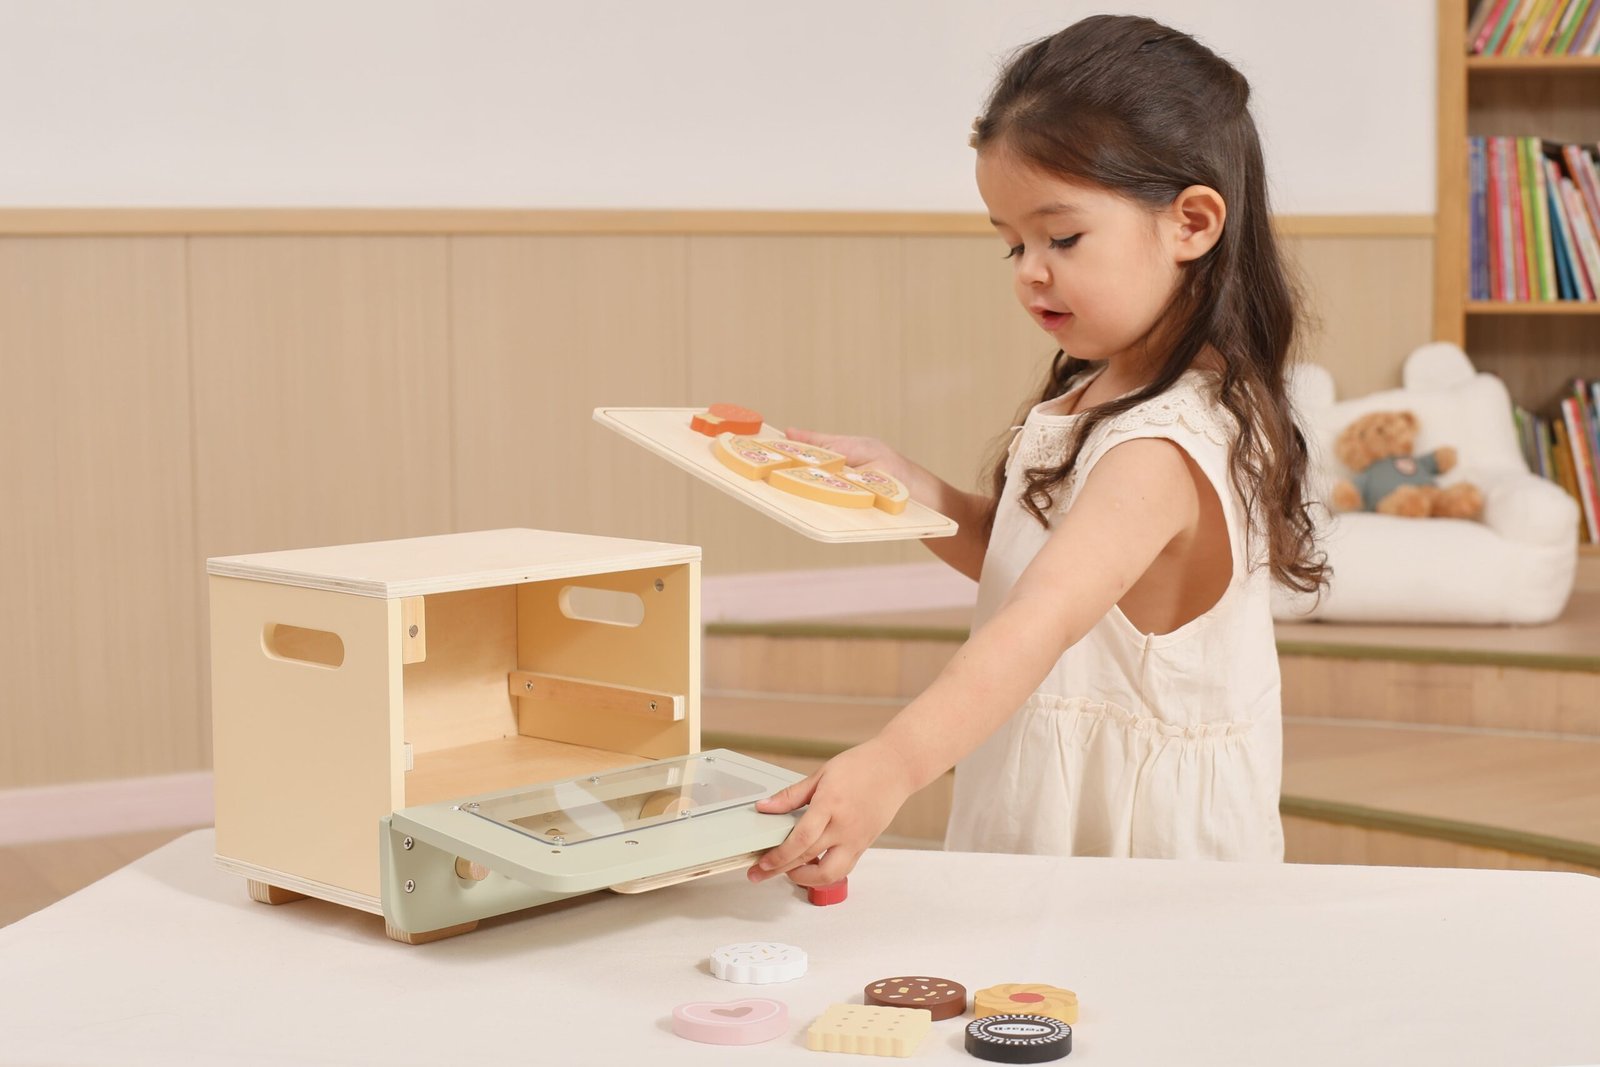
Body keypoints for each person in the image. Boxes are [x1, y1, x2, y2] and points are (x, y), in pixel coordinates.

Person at [747, 14, 1327, 890]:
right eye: (1012, 242)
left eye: (1062, 238)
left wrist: (892, 763)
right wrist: (915, 490)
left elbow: (1041, 618)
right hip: (1056, 800)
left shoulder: (1160, 444)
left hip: (1130, 852)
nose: (1028, 269)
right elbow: (1033, 561)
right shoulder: (1104, 386)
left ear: (1192, 222)